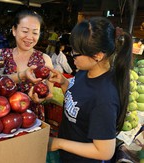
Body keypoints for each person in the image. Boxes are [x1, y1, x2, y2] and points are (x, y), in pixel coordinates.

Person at [47, 17, 132, 162]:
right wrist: (63, 83)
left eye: (76, 52)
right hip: (67, 155)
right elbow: (79, 102)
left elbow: (104, 152)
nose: (71, 54)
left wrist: (59, 143)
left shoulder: (105, 97)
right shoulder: (84, 71)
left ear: (98, 56)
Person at [0, 9, 54, 121]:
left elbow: (49, 95)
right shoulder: (1, 55)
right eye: (25, 31)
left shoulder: (45, 60)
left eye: (35, 32)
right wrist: (22, 76)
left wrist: (42, 99)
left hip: (32, 119)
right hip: (3, 117)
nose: (30, 37)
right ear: (14, 30)